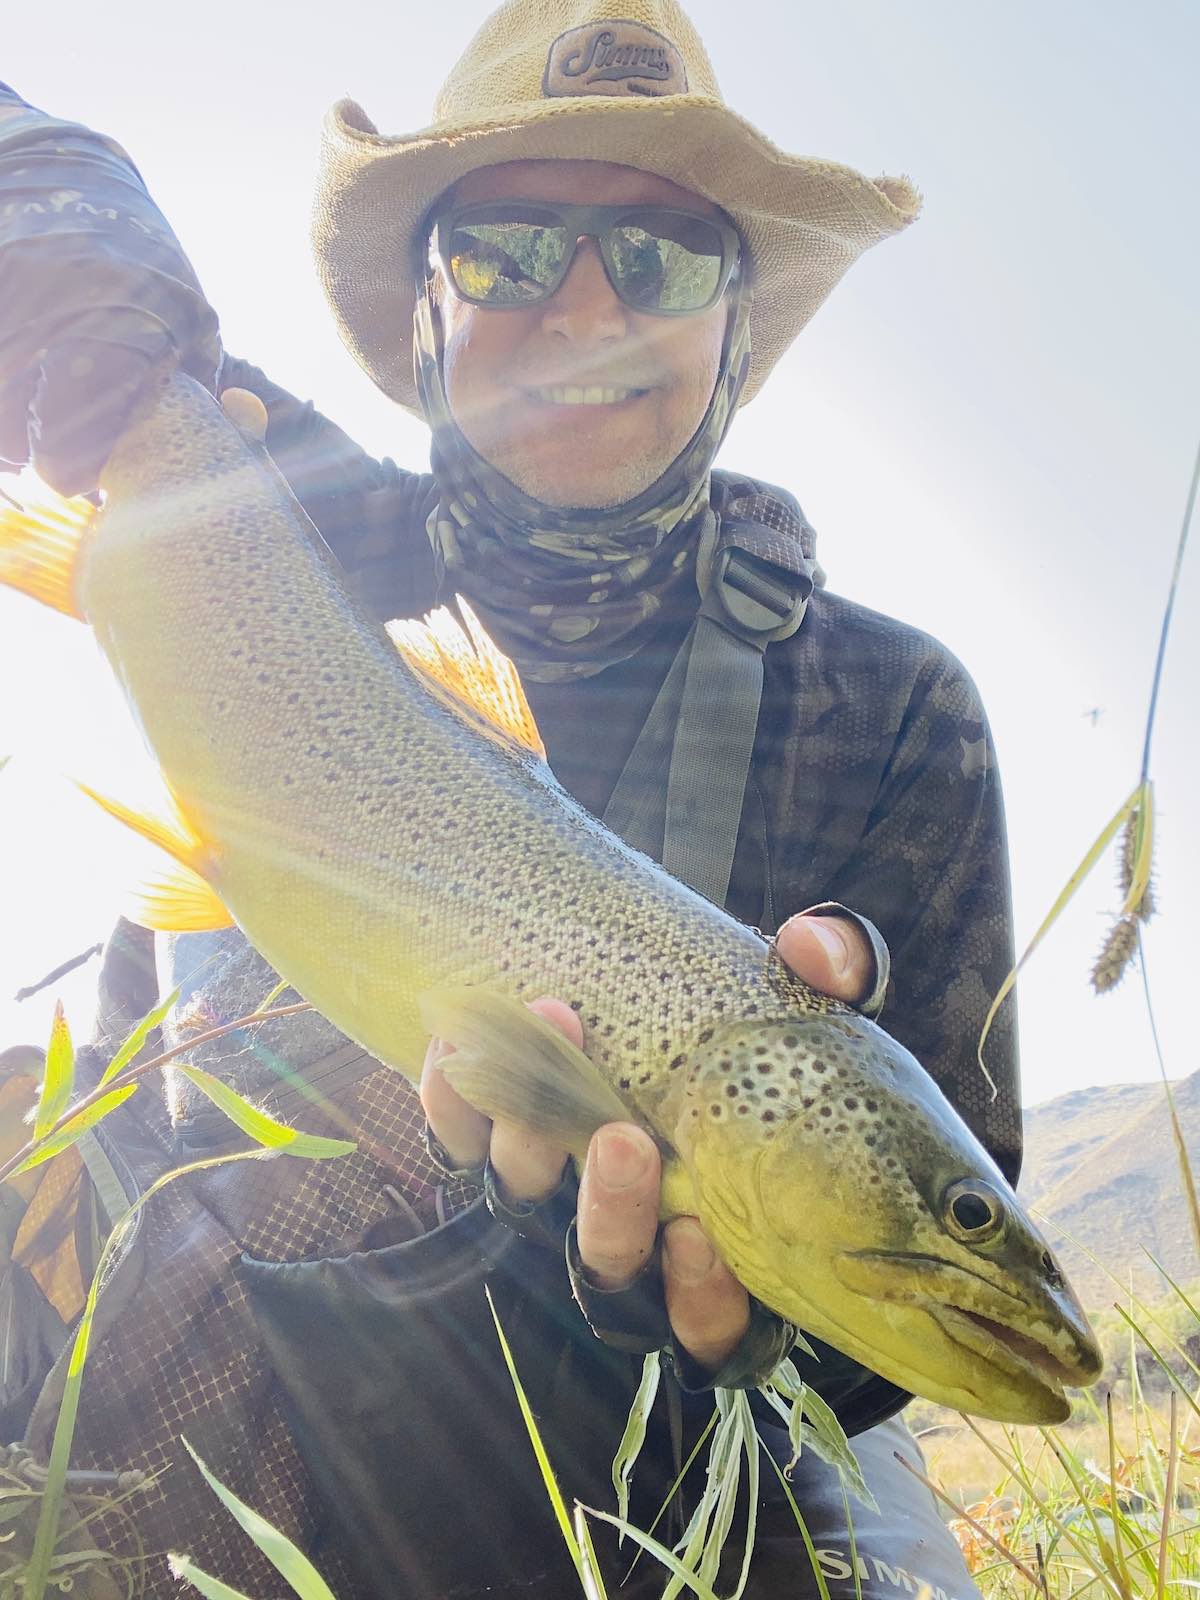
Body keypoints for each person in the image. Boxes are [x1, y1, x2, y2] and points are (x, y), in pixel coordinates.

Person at [0, 1, 1021, 1596]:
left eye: (665, 259)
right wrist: (70, 235)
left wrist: (735, 1328)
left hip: (700, 1441)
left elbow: (897, 1336)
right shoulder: (287, 503)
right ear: (425, 310)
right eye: (510, 251)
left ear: (736, 327)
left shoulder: (894, 710)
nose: (589, 310)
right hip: (262, 1332)